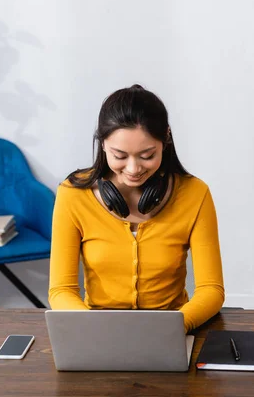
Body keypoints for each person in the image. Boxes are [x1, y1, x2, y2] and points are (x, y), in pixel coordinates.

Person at [48, 84, 224, 332]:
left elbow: (211, 290)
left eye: (147, 155)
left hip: (172, 331)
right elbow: (61, 290)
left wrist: (174, 328)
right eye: (120, 156)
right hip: (97, 332)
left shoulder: (195, 194)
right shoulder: (73, 194)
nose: (133, 169)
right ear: (102, 145)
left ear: (166, 140)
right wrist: (90, 329)